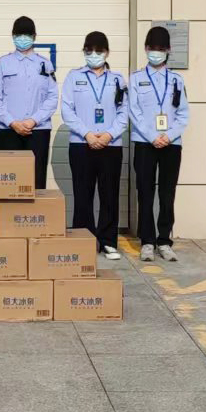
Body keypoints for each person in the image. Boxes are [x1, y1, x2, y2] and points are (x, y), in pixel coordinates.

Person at [61, 31, 128, 261]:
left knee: (109, 195)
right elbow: (67, 110)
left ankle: (108, 241)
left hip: (111, 145)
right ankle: (85, 239)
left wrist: (108, 135)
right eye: (89, 51)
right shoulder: (74, 77)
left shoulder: (117, 79)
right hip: (81, 144)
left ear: (107, 52)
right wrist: (88, 134)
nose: (93, 55)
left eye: (99, 51)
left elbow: (124, 112)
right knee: (83, 194)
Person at [130, 25, 189, 262]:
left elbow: (183, 114)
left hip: (171, 144)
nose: (156, 53)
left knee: (167, 192)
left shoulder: (176, 80)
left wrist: (169, 135)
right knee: (145, 191)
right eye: (153, 48)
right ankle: (147, 241)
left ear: (168, 50)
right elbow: (134, 111)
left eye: (161, 49)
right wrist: (152, 136)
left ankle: (164, 240)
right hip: (145, 142)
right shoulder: (136, 79)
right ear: (146, 49)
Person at [0, 15, 57, 189]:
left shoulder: (45, 64)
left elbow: (52, 98)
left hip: (38, 130)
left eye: (27, 34)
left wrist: (33, 120)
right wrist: (12, 122)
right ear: (13, 36)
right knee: (10, 182)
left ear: (34, 37)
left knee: (37, 181)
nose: (22, 38)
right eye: (19, 34)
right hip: (9, 130)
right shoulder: (3, 63)